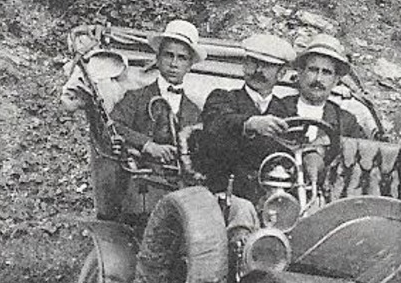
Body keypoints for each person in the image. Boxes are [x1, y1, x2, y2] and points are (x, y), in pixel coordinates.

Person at [197, 32, 297, 202]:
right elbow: (217, 124)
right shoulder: (222, 98)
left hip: (274, 199)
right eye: (253, 63)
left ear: (281, 73)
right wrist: (250, 124)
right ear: (244, 65)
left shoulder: (287, 111)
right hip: (227, 196)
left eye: (267, 66)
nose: (258, 71)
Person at [109, 19, 205, 172]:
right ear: (158, 59)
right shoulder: (136, 97)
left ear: (189, 66)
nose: (174, 64)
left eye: (182, 58)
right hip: (140, 185)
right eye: (168, 55)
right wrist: (147, 145)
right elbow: (112, 125)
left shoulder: (195, 112)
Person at [268, 34, 380, 148]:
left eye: (326, 72)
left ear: (336, 80)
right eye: (313, 70)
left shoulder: (345, 121)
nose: (318, 79)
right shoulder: (276, 107)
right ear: (300, 72)